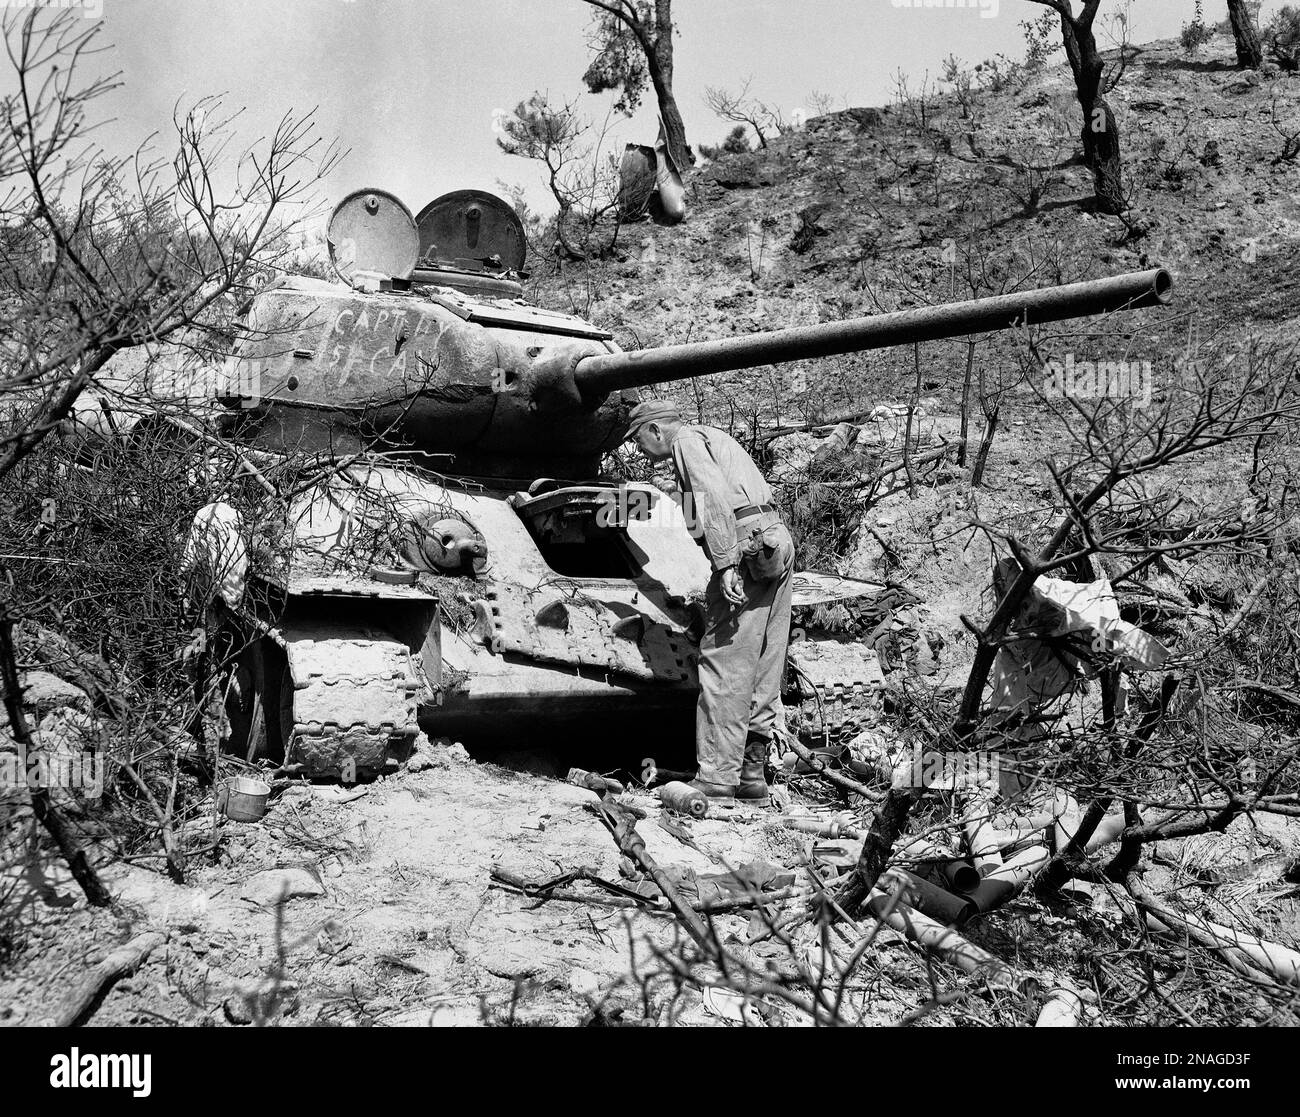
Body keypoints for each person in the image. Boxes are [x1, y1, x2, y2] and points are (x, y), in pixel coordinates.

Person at [626, 399, 795, 804]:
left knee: (723, 657)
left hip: (744, 548)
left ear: (654, 430)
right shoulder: (711, 435)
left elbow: (713, 498)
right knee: (763, 661)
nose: (639, 451)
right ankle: (751, 776)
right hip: (774, 543)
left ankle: (719, 778)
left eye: (637, 440)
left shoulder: (684, 442)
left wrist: (724, 564)